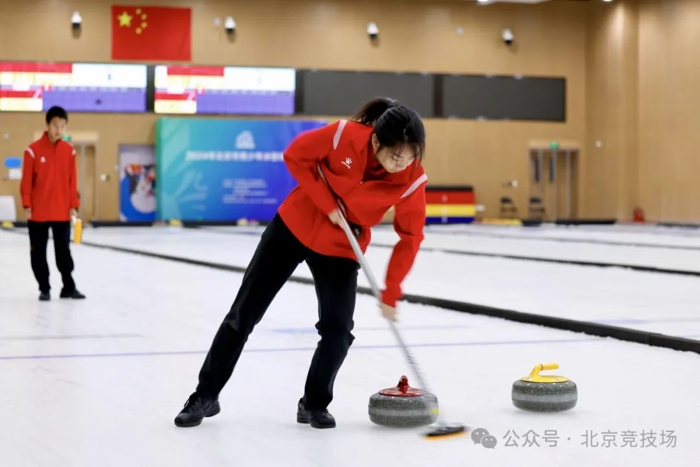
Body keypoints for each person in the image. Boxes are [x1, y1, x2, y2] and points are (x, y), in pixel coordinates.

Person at [174, 97, 428, 429]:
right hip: (293, 227)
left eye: (411, 155)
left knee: (338, 331)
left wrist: (391, 290)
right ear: (376, 141)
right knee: (243, 315)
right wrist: (327, 203)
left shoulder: (412, 179)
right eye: (396, 155)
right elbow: (295, 155)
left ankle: (313, 403)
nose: (403, 163)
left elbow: (410, 236)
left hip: (341, 245)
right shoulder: (343, 135)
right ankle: (205, 395)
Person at [20, 106, 85, 301]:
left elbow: (72, 181)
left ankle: (68, 286)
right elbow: (26, 181)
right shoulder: (32, 151)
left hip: (61, 211)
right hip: (38, 212)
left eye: (63, 126)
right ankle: (44, 288)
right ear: (48, 125)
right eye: (56, 125)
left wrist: (73, 206)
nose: (59, 130)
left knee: (63, 251)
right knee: (38, 252)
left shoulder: (69, 151)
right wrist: (27, 205)